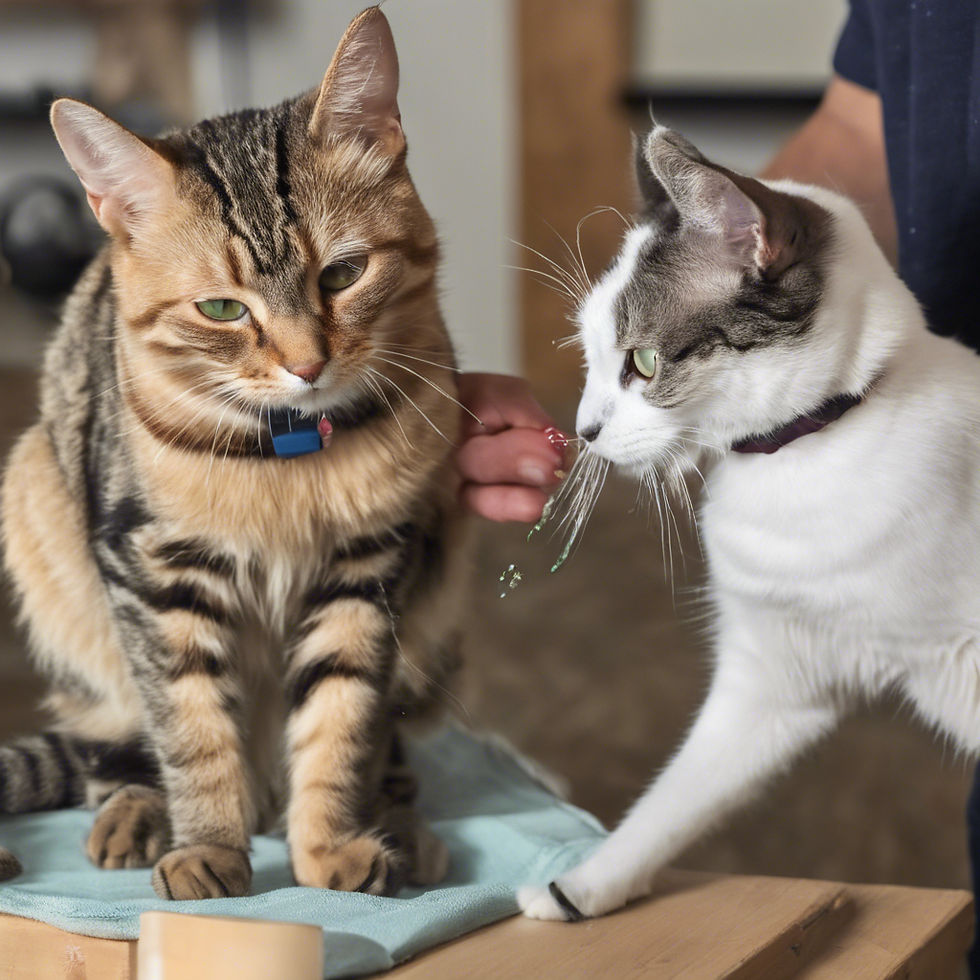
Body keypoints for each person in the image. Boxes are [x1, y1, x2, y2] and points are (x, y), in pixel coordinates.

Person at [455, 2, 980, 972]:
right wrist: (613, 869)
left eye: (636, 366)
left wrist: (730, 246)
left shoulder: (933, 433)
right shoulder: (762, 460)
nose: (590, 422)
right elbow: (856, 135)